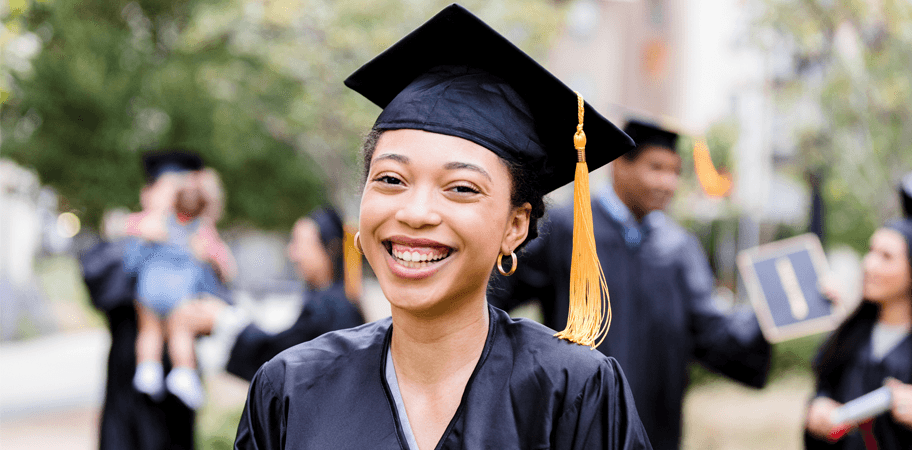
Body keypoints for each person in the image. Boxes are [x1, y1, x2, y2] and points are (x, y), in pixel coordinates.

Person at [234, 5, 651, 449]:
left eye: (461, 188)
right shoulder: (291, 389)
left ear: (515, 226)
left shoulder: (573, 390)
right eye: (391, 180)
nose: (416, 212)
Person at [488, 120, 772, 449]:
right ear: (619, 165)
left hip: (654, 423)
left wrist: (770, 315)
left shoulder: (679, 248)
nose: (668, 182)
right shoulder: (569, 229)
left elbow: (711, 331)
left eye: (674, 171)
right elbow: (497, 295)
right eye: (656, 167)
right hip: (576, 416)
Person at [80, 150, 230, 450]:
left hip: (178, 374)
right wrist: (140, 239)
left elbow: (217, 304)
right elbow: (100, 287)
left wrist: (204, 259)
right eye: (167, 190)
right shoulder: (127, 239)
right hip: (127, 375)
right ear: (146, 194)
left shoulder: (197, 240)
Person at [176, 207, 365, 381]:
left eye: (299, 244)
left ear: (330, 248)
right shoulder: (332, 302)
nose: (292, 254)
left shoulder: (332, 310)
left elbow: (279, 358)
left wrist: (224, 318)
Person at [804, 183, 912, 449]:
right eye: (871, 251)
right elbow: (824, 388)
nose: (869, 264)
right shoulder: (851, 333)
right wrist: (817, 409)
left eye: (886, 256)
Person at [124, 155, 237, 409]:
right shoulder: (141, 227)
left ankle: (172, 374)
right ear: (147, 193)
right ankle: (161, 372)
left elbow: (222, 277)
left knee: (170, 334)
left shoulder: (198, 233)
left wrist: (211, 259)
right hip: (127, 386)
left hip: (168, 305)